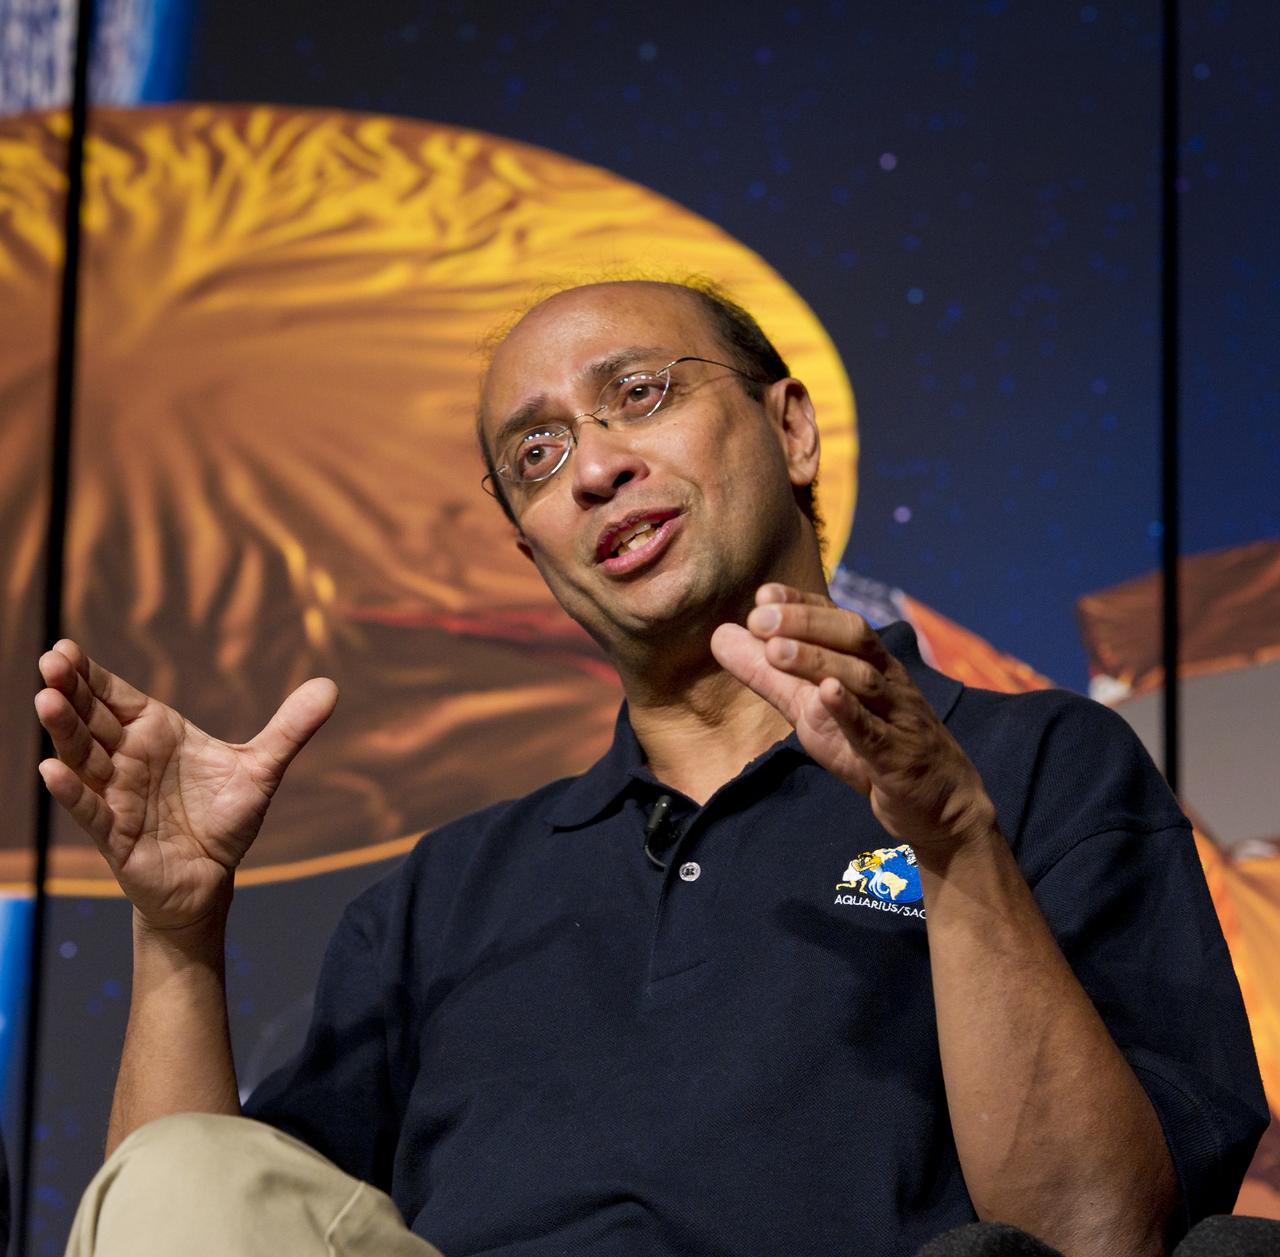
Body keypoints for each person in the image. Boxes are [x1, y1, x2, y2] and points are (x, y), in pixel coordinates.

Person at [35, 280, 1266, 1257]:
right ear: (533, 549)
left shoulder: (1030, 767)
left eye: (637, 393)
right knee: (188, 1169)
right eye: (535, 455)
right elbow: (194, 1220)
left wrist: (946, 843)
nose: (591, 468)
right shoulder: (447, 894)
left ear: (789, 429)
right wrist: (177, 932)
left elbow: (1097, 1235)